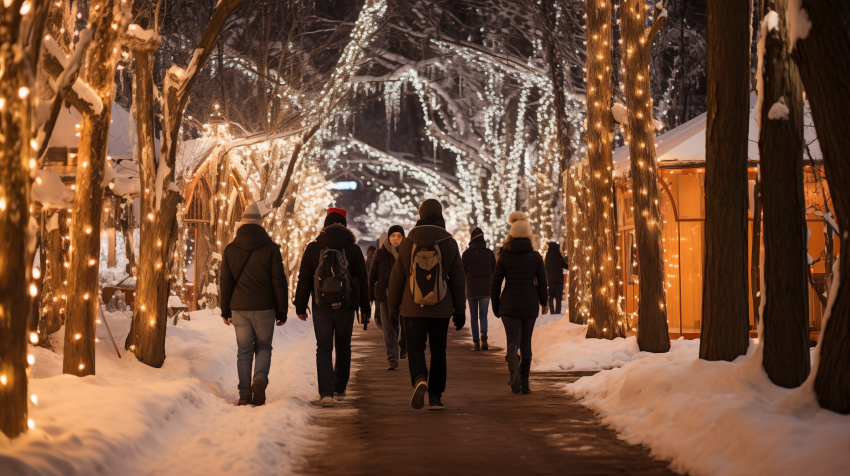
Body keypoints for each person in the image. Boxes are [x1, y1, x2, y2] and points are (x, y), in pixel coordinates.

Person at [387, 199, 465, 410]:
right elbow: (458, 278)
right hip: (441, 307)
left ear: (420, 214)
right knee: (439, 350)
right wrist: (460, 310)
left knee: (415, 347)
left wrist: (393, 308)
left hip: (412, 307)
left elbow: (397, 278)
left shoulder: (409, 241)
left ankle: (419, 378)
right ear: (440, 215)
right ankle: (436, 397)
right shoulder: (449, 242)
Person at [294, 208, 370, 407]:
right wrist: (365, 308)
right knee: (343, 345)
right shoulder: (353, 249)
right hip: (346, 307)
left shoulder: (313, 248)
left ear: (325, 225)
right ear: (344, 225)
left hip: (321, 306)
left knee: (324, 347)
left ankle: (326, 392)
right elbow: (362, 280)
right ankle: (340, 386)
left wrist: (300, 305)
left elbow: (304, 279)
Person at [220, 201, 288, 407]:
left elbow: (225, 282)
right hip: (265, 307)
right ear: (260, 224)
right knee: (264, 346)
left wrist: (225, 309)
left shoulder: (230, 249)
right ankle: (259, 379)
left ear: (242, 224)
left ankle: (244, 394)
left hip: (239, 308)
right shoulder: (271, 248)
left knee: (244, 351)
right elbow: (279, 281)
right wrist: (282, 311)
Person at [490, 211, 548, 395]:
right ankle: (525, 384)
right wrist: (544, 301)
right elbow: (542, 282)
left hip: (509, 304)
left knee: (513, 341)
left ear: (512, 234)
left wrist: (496, 305)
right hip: (529, 303)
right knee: (527, 342)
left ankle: (512, 359)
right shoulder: (536, 257)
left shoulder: (505, 256)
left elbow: (496, 282)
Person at [369, 225, 407, 369]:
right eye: (393, 236)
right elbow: (372, 276)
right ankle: (392, 357)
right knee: (388, 327)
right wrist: (371, 297)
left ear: (403, 238)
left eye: (399, 236)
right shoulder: (380, 253)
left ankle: (403, 344)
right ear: (388, 237)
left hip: (403, 295)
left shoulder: (406, 252)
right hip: (384, 296)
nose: (396, 239)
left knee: (402, 325)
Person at [462, 227, 496, 351]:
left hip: (471, 289)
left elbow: (462, 271)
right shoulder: (489, 253)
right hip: (485, 289)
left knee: (473, 315)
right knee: (483, 315)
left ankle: (476, 342)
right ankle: (484, 338)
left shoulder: (466, 254)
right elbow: (494, 269)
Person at [544, 241, 569, 315]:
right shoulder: (558, 255)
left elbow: (545, 266)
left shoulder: (548, 255)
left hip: (550, 280)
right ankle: (558, 311)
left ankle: (552, 311)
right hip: (558, 280)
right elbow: (565, 265)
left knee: (551, 297)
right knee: (558, 297)